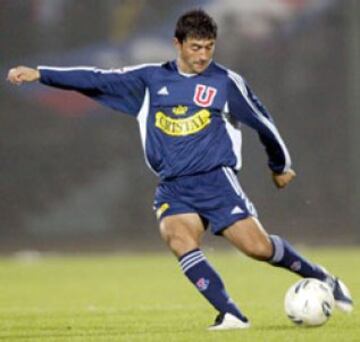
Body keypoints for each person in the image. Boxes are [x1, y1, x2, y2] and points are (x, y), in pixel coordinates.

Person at [7, 9, 353, 331]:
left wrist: (279, 165)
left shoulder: (225, 83)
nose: (203, 55)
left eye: (209, 47)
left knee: (258, 249)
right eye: (196, 47)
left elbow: (263, 123)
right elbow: (95, 78)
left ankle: (325, 278)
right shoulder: (150, 80)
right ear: (178, 44)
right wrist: (41, 74)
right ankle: (230, 312)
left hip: (216, 182)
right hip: (173, 185)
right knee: (178, 238)